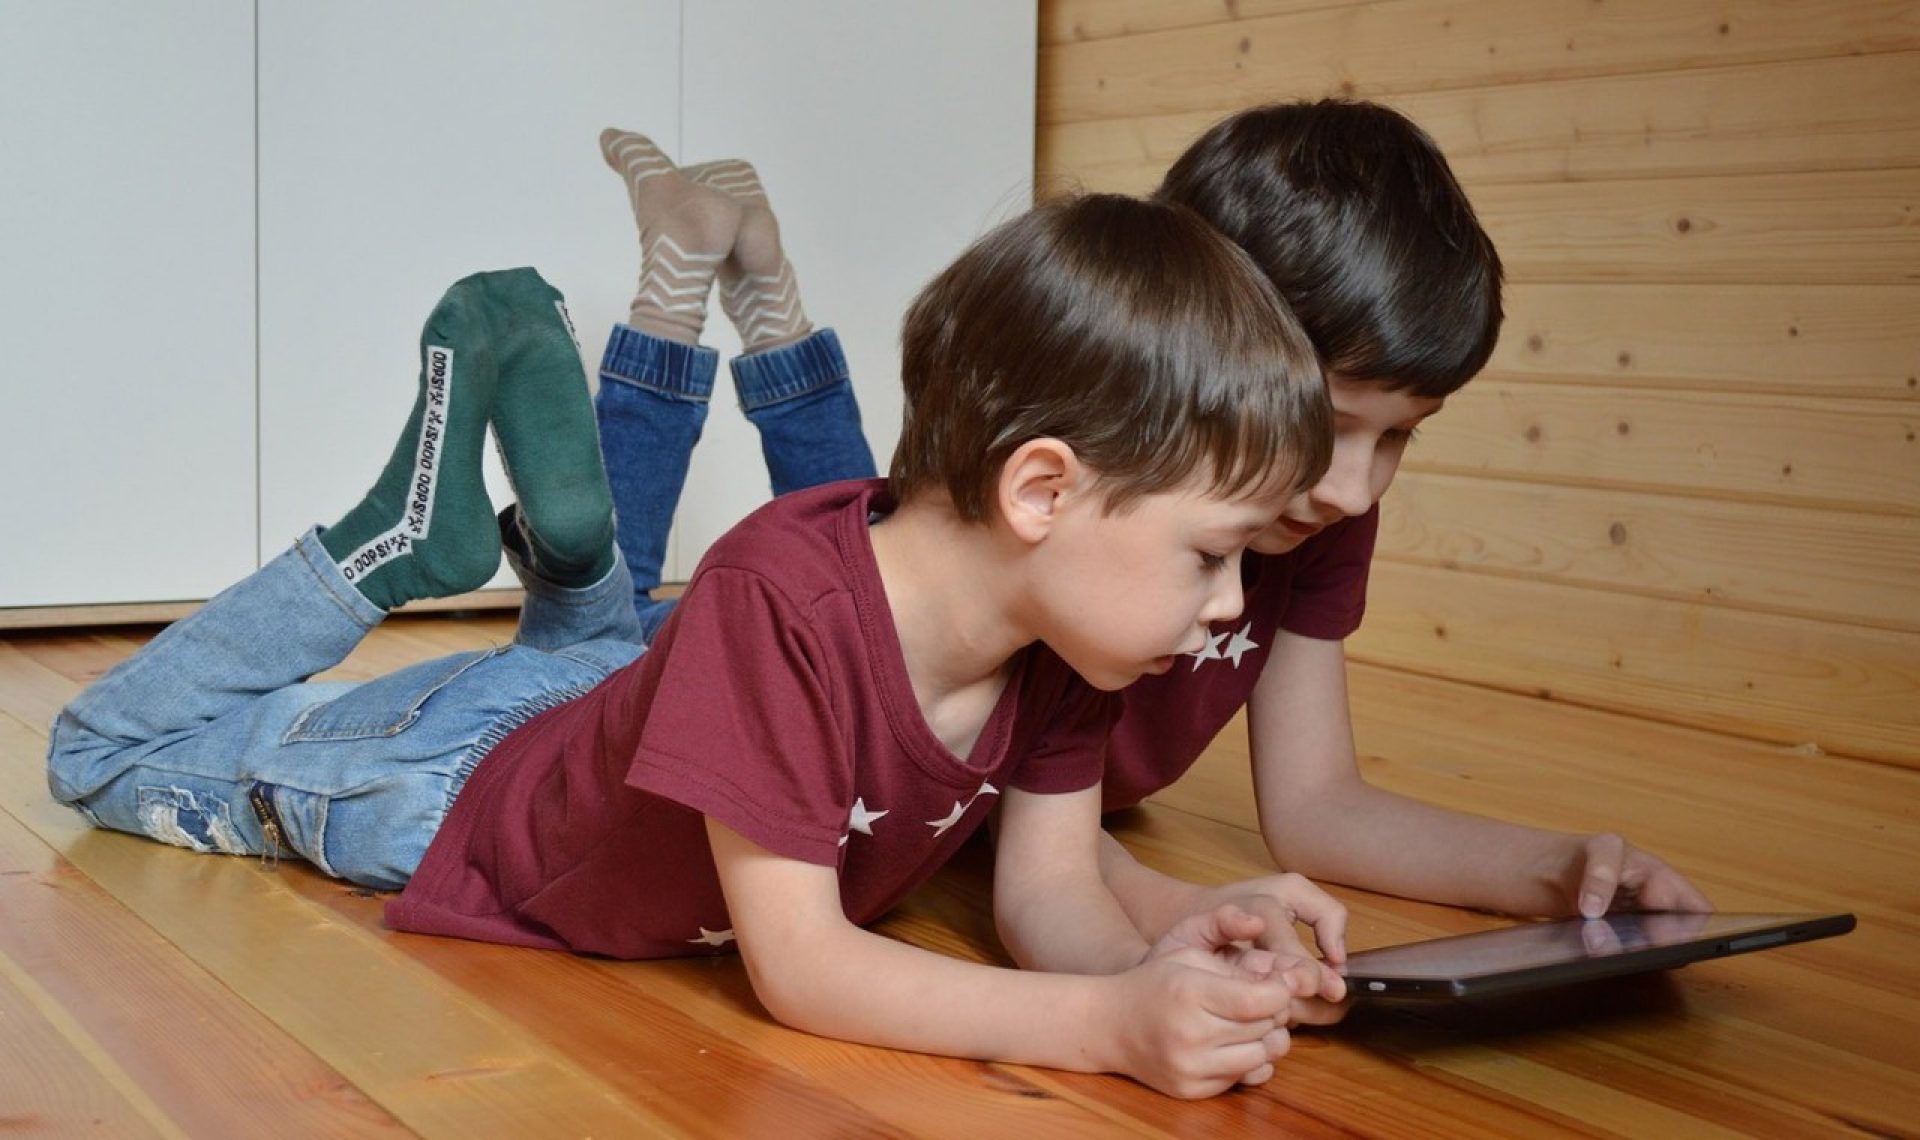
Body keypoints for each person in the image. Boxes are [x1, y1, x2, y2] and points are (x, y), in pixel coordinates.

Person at [45, 190, 1353, 1099]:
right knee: (97, 754)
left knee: (594, 664)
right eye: (1211, 552)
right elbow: (806, 967)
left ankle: (574, 564)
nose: (1236, 602)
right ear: (1045, 493)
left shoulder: (1069, 640)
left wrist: (1168, 971)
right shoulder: (781, 597)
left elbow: (1050, 895)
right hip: (448, 786)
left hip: (623, 701)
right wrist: (1109, 1029)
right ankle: (384, 547)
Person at [1088, 100, 1714, 967]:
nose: (1354, 487)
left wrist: (1557, 870)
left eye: (1398, 435)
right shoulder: (1085, 495)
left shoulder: (1316, 514)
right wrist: (1159, 900)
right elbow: (991, 797)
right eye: (1326, 420)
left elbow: (1316, 805)